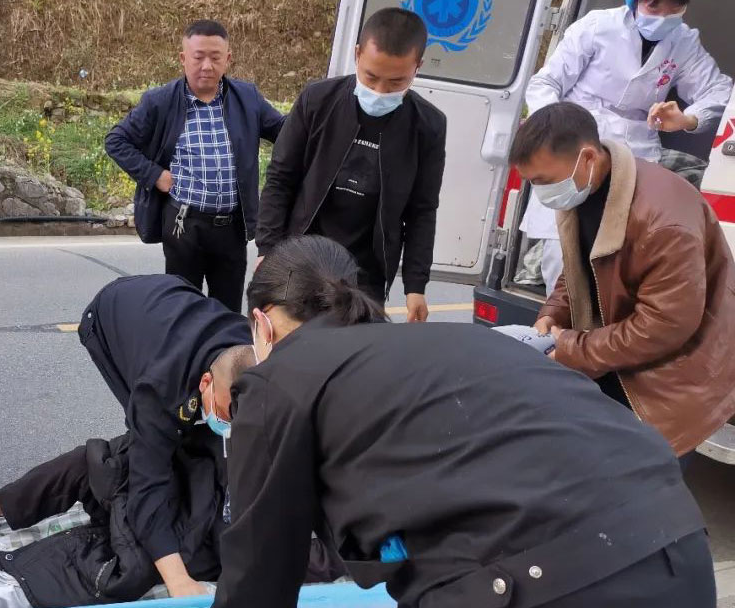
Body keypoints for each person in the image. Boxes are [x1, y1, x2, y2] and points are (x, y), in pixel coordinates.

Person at [211, 234, 715, 608]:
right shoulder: (460, 341)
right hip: (678, 546)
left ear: (262, 322)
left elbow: (258, 571)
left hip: (552, 581)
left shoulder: (278, 380)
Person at [0, 274, 342, 606]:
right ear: (207, 385)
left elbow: (318, 549)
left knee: (114, 565)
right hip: (119, 320)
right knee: (109, 461)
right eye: (228, 416)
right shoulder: (161, 387)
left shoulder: (270, 399)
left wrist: (178, 568)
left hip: (197, 526)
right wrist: (178, 579)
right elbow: (151, 479)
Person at [511, 102, 735, 469]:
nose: (540, 193)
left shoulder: (664, 221)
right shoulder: (584, 186)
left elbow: (666, 325)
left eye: (543, 181)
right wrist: (555, 312)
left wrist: (575, 348)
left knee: (643, 489)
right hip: (619, 358)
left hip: (669, 383)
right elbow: (580, 266)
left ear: (587, 157)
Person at [520, 0, 733, 294]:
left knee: (622, 251)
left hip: (637, 152)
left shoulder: (684, 41)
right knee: (564, 247)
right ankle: (562, 317)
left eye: (673, 9)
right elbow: (545, 83)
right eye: (654, 7)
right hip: (577, 143)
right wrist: (557, 134)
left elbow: (719, 90)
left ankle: (603, 321)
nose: (663, 17)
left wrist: (688, 119)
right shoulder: (598, 26)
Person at [255, 8, 445, 319]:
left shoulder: (428, 126)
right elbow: (281, 177)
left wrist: (415, 286)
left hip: (366, 273)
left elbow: (422, 210)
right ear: (357, 54)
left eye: (396, 82)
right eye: (371, 77)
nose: (380, 91)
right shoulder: (317, 100)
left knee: (356, 348)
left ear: (417, 67)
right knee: (292, 342)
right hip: (302, 258)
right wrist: (268, 249)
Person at [105, 20, 285, 313]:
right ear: (183, 58)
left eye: (215, 57)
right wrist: (155, 175)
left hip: (232, 228)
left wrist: (315, 113)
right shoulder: (160, 101)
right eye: (198, 57)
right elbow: (116, 141)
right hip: (184, 226)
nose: (206, 66)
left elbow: (285, 132)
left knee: (226, 314)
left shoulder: (247, 98)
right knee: (182, 311)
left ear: (228, 59)